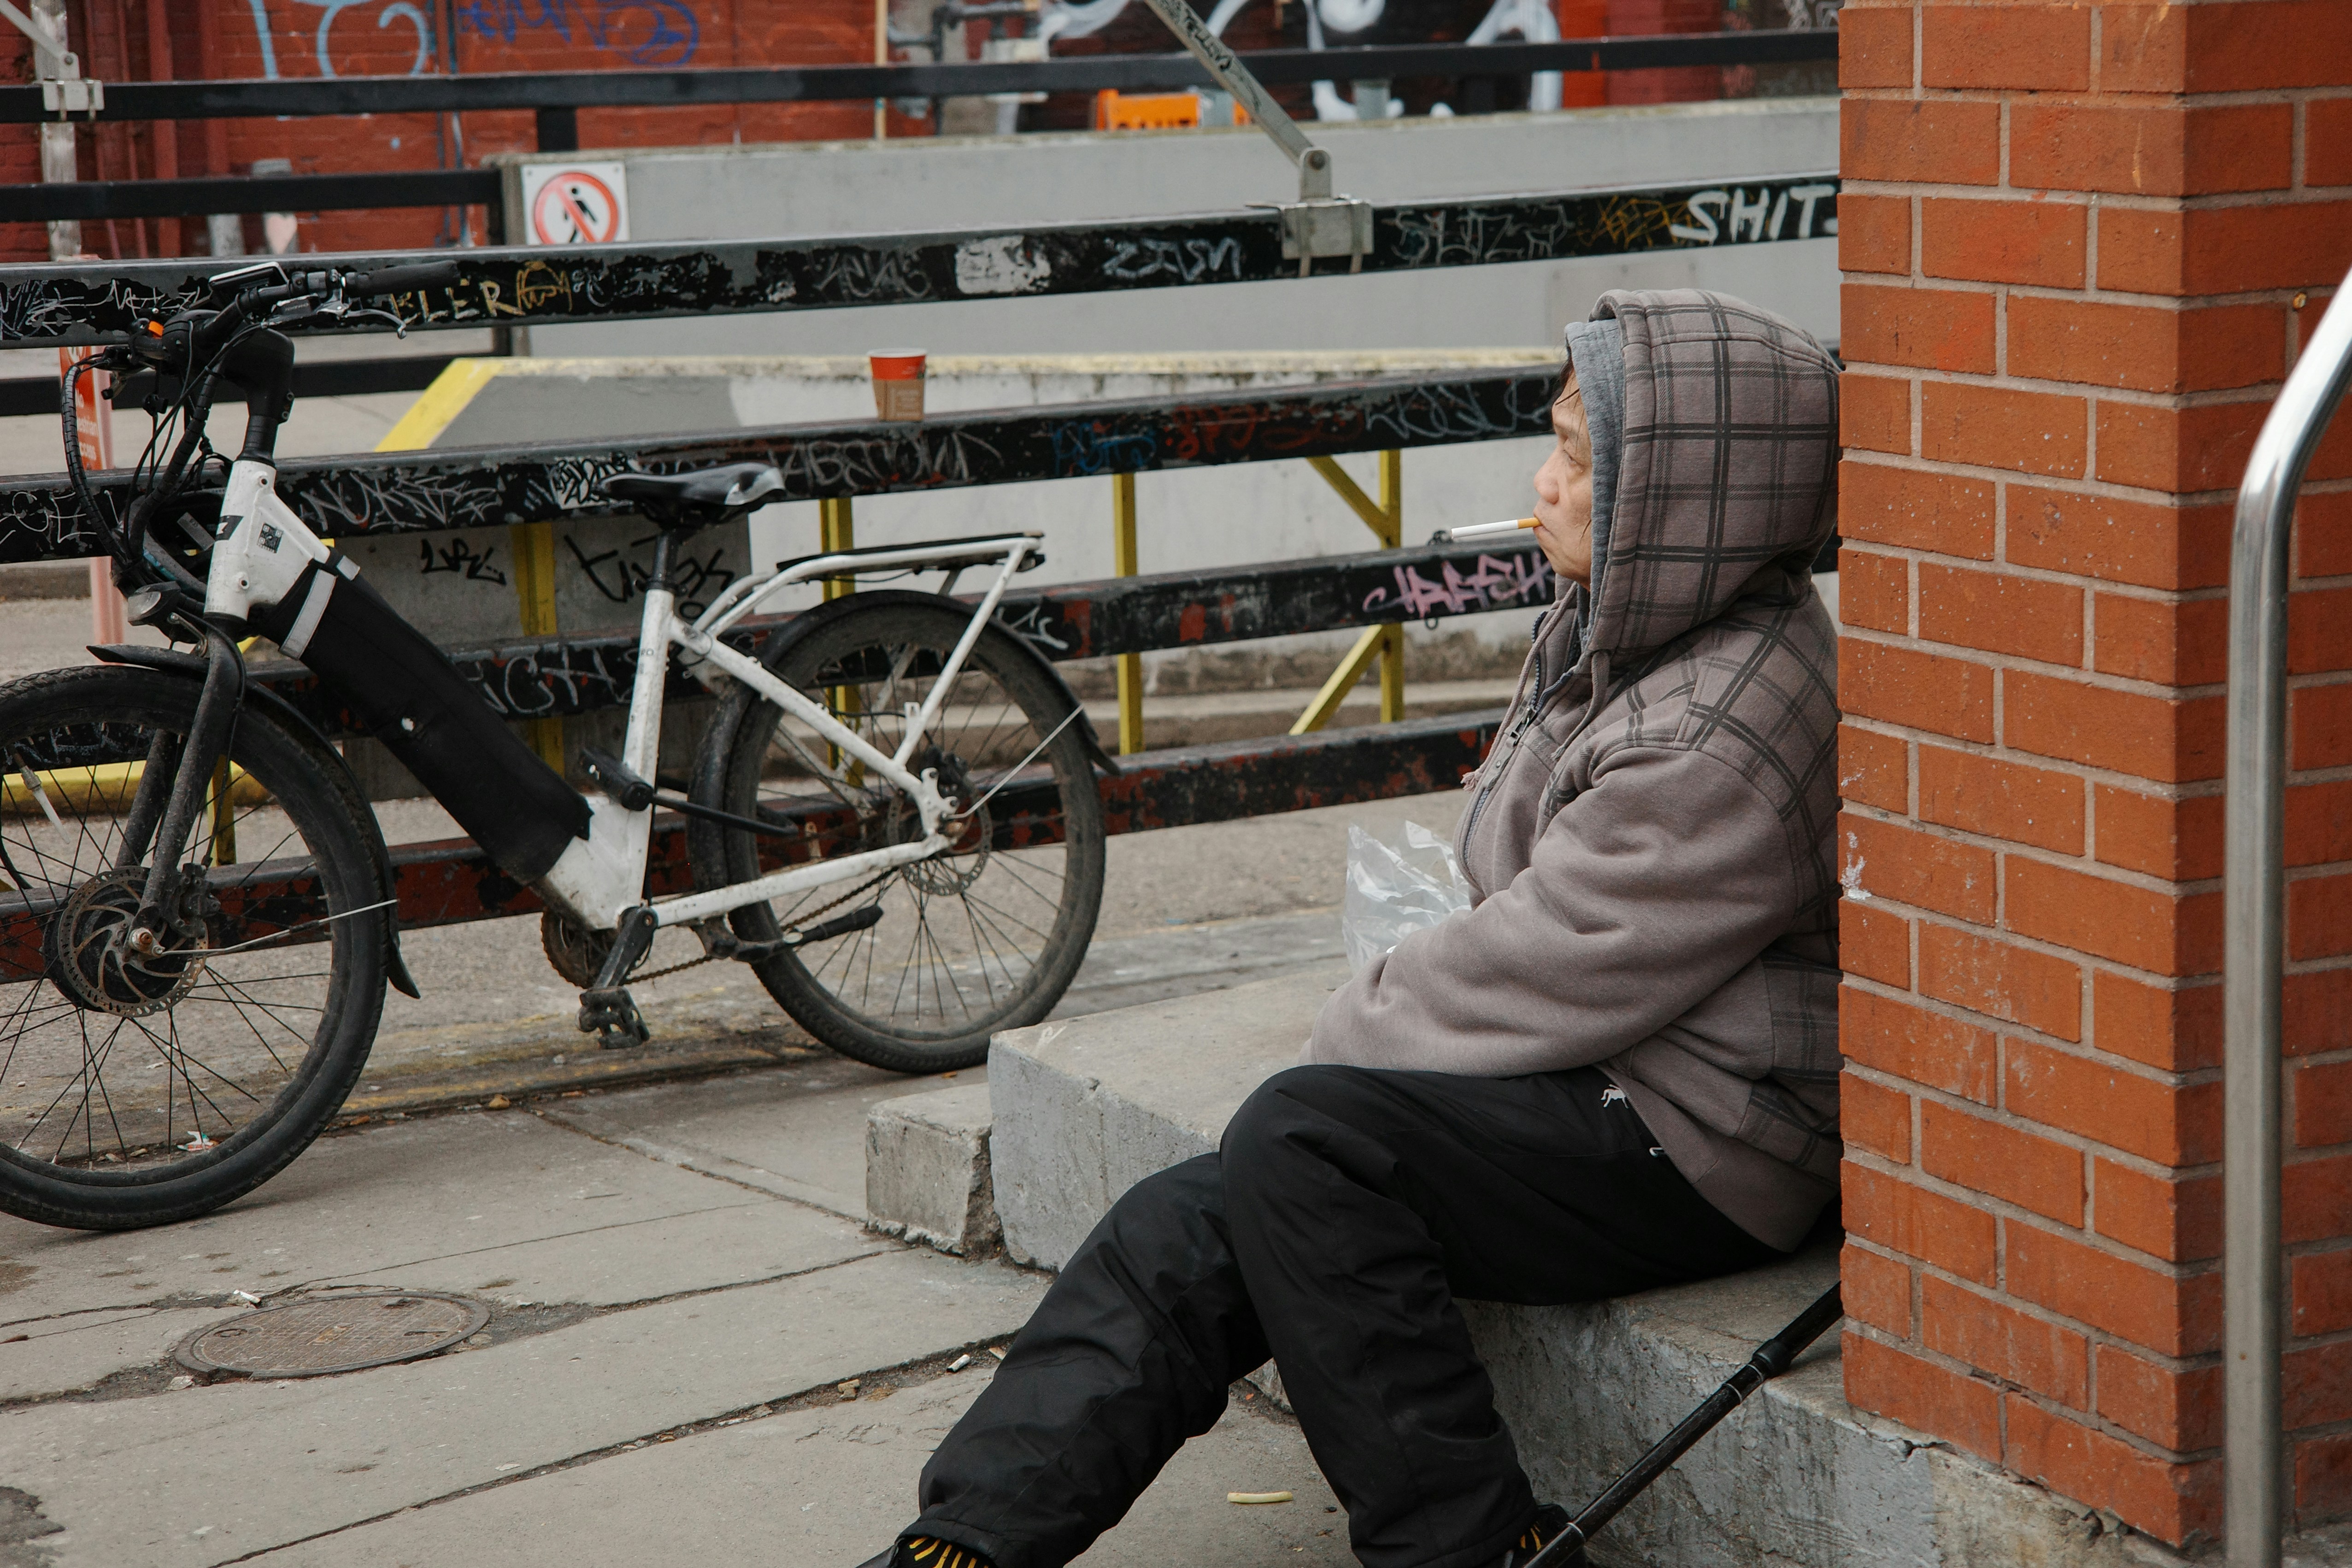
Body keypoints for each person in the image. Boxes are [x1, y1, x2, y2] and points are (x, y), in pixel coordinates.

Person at [857, 289, 1842, 1568]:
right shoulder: (1645, 625)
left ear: (1682, 499)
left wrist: (1354, 1032)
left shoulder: (1724, 726)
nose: (1543, 484)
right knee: (1190, 1217)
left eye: (1578, 461)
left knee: (1302, 1141)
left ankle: (1468, 1549)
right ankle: (964, 1542)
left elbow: (1550, 959)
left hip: (1704, 1139)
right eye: (1553, 448)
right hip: (1607, 1069)